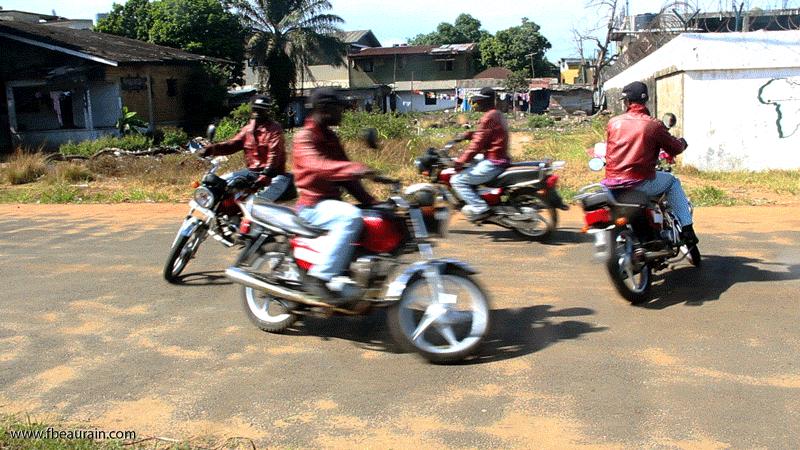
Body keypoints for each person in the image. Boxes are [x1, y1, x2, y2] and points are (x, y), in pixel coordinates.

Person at [292, 87, 377, 303]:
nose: (342, 113)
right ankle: (320, 277)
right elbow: (318, 166)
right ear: (325, 109)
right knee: (350, 217)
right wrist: (356, 168)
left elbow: (347, 179)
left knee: (375, 218)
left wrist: (373, 202)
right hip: (312, 206)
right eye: (339, 108)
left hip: (329, 204)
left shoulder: (331, 137)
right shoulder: (304, 137)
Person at [604, 81, 698, 245]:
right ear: (645, 100)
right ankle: (687, 229)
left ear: (627, 102)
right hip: (638, 182)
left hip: (612, 183)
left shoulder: (613, 122)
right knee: (672, 182)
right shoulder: (653, 124)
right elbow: (674, 148)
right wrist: (682, 143)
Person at [199, 95, 290, 202]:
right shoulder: (247, 130)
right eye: (255, 108)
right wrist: (211, 149)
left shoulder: (274, 129)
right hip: (252, 173)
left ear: (267, 111)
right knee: (217, 185)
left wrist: (267, 174)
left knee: (254, 204)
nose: (257, 112)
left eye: (261, 109)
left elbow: (274, 154)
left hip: (274, 175)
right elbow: (232, 145)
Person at [451, 87, 511, 220]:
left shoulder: (488, 117)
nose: (476, 104)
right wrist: (467, 135)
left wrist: (461, 161)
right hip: (500, 157)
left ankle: (480, 207)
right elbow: (485, 134)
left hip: (494, 161)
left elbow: (477, 145)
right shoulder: (497, 114)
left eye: (478, 101)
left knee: (457, 180)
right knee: (474, 163)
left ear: (485, 101)